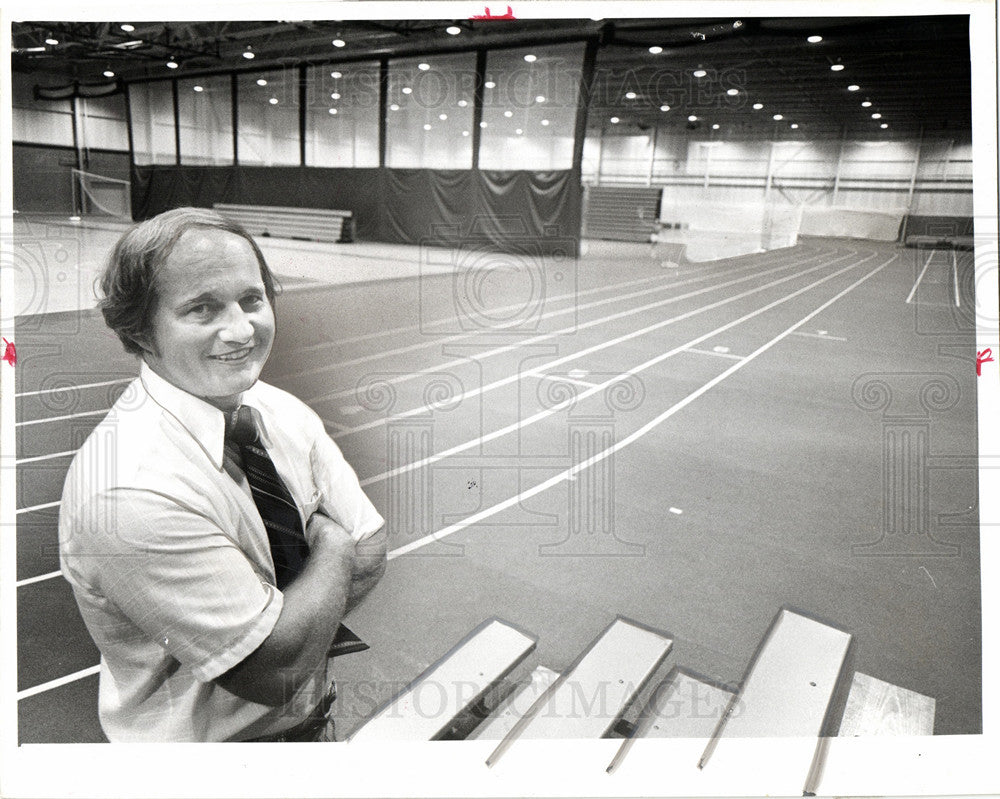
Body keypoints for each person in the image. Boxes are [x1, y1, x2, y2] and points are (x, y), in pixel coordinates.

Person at [58, 207, 386, 742]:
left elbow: (376, 550)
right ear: (140, 333)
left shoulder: (281, 412)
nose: (240, 330)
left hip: (316, 723)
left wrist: (290, 626)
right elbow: (273, 671)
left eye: (252, 300)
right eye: (202, 309)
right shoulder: (128, 490)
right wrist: (332, 543)